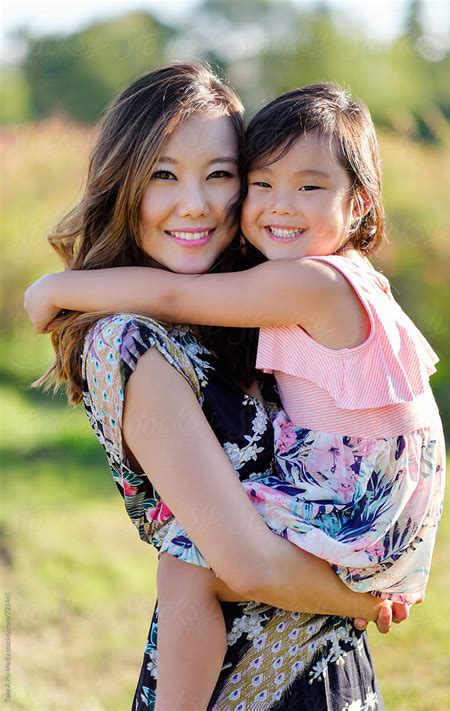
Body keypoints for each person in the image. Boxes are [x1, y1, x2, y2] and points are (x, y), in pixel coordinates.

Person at [25, 69, 407, 711]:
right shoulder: (127, 341)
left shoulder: (257, 311)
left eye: (221, 174)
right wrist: (366, 598)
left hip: (329, 667)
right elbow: (246, 565)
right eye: (163, 175)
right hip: (236, 683)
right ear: (123, 185)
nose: (196, 203)